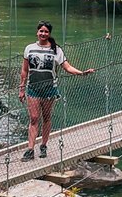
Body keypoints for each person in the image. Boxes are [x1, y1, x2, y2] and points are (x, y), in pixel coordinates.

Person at [19, 21, 94, 159]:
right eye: (41, 31)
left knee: (46, 117)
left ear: (49, 34)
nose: (43, 34)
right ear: (37, 32)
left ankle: (43, 145)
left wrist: (82, 73)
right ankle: (30, 149)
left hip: (49, 90)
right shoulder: (29, 48)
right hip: (33, 88)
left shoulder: (56, 50)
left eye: (46, 31)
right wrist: (21, 88)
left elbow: (67, 67)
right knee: (34, 118)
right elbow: (24, 70)